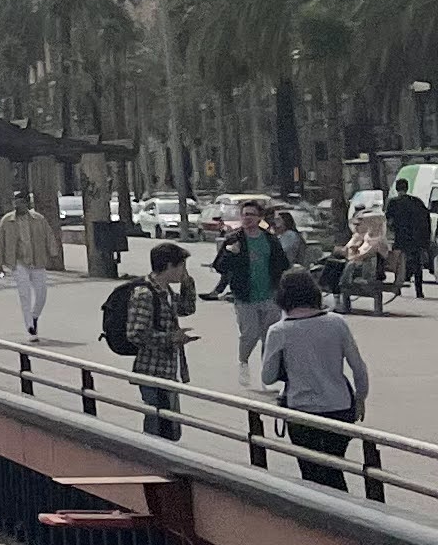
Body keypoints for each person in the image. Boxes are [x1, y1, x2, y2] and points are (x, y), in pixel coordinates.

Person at [258, 268, 370, 489]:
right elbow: (358, 366)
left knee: (310, 471)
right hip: (339, 406)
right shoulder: (337, 323)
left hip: (302, 410)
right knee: (334, 467)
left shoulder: (279, 331)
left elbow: (268, 377)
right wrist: (360, 397)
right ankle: (344, 512)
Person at [127, 241, 196, 441]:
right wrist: (171, 338)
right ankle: (153, 464)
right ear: (168, 265)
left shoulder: (166, 292)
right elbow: (135, 333)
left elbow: (187, 309)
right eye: (181, 265)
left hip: (167, 370)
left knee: (170, 427)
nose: (183, 270)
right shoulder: (145, 294)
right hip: (151, 369)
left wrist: (187, 282)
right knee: (157, 425)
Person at [211, 205, 285, 378]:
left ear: (259, 218)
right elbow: (219, 266)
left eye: (251, 215)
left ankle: (268, 372)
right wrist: (231, 254)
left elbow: (282, 264)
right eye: (244, 215)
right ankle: (243, 361)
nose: (247, 218)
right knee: (249, 334)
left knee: (269, 336)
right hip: (245, 296)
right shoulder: (233, 239)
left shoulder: (270, 239)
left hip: (269, 295)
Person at [0, 188, 61, 337]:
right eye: (16, 203)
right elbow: (0, 242)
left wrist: (53, 253)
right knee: (25, 295)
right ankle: (30, 328)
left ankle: (34, 316)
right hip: (18, 262)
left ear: (27, 204)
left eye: (22, 203)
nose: (19, 206)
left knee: (41, 294)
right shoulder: (7, 221)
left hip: (37, 261)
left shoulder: (38, 219)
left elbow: (49, 236)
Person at [392, 178, 434, 303]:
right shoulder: (417, 202)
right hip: (416, 239)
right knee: (417, 266)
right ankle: (419, 291)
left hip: (400, 238)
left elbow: (389, 221)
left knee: (398, 264)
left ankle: (397, 288)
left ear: (397, 189)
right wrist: (425, 239)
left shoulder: (394, 203)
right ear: (407, 187)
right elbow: (426, 219)